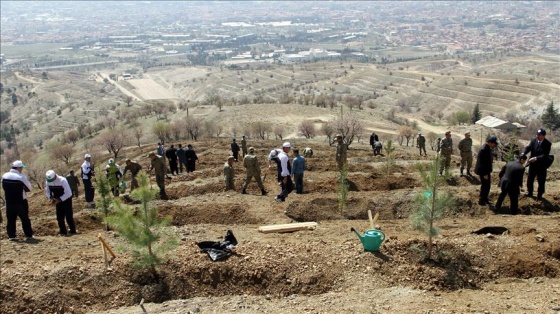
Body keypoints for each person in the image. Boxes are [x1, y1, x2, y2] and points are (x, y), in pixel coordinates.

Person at [1, 160, 33, 241]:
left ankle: (12, 236)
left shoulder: (5, 176)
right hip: (20, 201)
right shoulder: (21, 177)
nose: (22, 169)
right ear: (18, 168)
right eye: (21, 168)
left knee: (11, 219)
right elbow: (29, 188)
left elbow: (3, 187)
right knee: (25, 218)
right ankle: (28, 235)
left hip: (9, 201)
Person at [521, 128, 552, 200]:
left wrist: (536, 158)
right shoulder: (533, 141)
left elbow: (545, 155)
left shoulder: (547, 144)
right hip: (532, 164)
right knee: (530, 178)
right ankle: (529, 191)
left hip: (541, 165)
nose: (537, 136)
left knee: (541, 180)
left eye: (539, 135)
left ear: (543, 136)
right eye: (537, 134)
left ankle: (540, 194)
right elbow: (528, 148)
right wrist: (523, 153)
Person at [45, 170, 77, 236]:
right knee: (59, 217)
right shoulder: (48, 181)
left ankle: (73, 231)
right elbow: (47, 192)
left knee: (69, 217)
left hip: (66, 200)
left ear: (55, 176)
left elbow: (69, 193)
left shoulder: (62, 180)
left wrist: (59, 199)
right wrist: (51, 198)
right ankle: (63, 232)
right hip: (57, 199)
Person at [474, 136, 498, 206]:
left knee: (487, 185)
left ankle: (485, 198)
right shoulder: (483, 150)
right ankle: (482, 200)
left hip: (486, 171)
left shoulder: (487, 148)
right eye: (493, 143)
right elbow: (482, 163)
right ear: (490, 142)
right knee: (485, 185)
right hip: (483, 171)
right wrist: (485, 174)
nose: (494, 145)